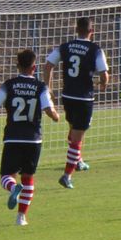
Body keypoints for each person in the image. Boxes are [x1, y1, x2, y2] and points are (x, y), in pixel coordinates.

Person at [0, 49, 59, 227]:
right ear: (34, 67)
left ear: (17, 65)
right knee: (28, 178)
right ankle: (21, 218)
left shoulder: (9, 84)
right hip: (34, 139)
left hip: (13, 137)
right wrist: (56, 116)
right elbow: (48, 109)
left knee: (6, 175)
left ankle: (13, 188)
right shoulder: (41, 86)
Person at [45, 17, 109, 188]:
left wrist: (48, 88)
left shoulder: (65, 47)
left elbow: (48, 64)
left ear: (76, 30)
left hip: (68, 96)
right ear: (91, 31)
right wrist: (103, 84)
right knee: (77, 138)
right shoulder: (95, 49)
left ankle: (78, 161)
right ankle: (67, 175)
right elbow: (104, 74)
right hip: (84, 98)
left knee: (75, 130)